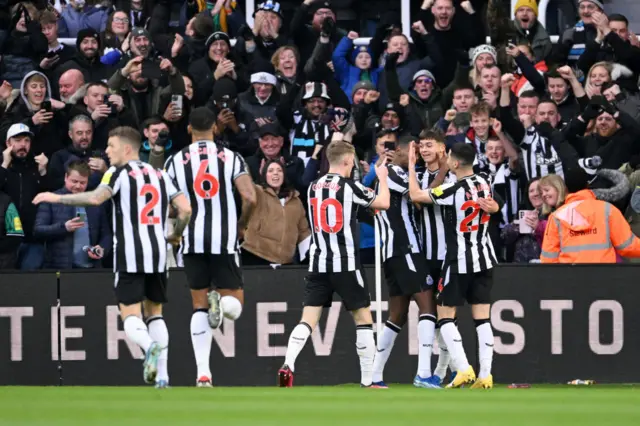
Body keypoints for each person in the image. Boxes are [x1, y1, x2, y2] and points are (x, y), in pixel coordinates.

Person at [33, 126, 192, 388]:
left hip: (130, 253)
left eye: (111, 146)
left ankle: (148, 346)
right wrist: (175, 236)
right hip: (157, 254)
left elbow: (96, 199)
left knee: (130, 314)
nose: (106, 151)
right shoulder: (161, 174)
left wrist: (55, 198)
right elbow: (185, 210)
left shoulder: (117, 173)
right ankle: (163, 377)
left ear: (127, 148)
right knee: (155, 314)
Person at [278, 140, 391, 388]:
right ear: (348, 161)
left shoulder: (312, 187)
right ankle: (367, 379)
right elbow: (383, 203)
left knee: (307, 319)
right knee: (363, 319)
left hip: (318, 263)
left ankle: (288, 362)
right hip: (346, 262)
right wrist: (382, 177)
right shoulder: (349, 186)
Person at [164, 107, 256, 387]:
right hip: (224, 241)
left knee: (198, 308)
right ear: (216, 128)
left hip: (191, 242)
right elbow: (250, 197)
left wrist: (176, 231)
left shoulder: (175, 161)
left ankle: (203, 373)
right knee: (235, 306)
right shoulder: (230, 157)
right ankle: (223, 303)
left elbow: (171, 206)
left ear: (189, 129)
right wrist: (241, 225)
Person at [407, 142, 499, 389]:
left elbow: (416, 196)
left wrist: (409, 167)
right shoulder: (484, 182)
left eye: (448, 157)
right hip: (484, 259)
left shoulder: (452, 189)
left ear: (455, 163)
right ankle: (486, 375)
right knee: (482, 319)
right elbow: (495, 204)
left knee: (444, 315)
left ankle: (463, 368)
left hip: (458, 260)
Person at [369, 135, 437, 389]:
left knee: (396, 315)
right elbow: (418, 196)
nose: (415, 156)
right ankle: (423, 373)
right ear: (398, 151)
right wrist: (413, 167)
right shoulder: (393, 172)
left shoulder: (388, 173)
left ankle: (374, 376)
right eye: (412, 151)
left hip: (393, 251)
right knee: (428, 304)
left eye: (417, 153)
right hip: (405, 248)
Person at [416, 130, 457, 385]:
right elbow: (419, 202)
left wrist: (443, 170)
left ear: (442, 149)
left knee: (447, 316)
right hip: (425, 254)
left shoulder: (453, 177)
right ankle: (449, 369)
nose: (424, 150)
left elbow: (429, 198)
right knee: (435, 314)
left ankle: (446, 369)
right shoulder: (419, 176)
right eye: (421, 146)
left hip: (446, 254)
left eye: (429, 145)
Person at [541, 167, 640, 263]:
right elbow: (628, 246)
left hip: (570, 277)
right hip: (604, 275)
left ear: (566, 188)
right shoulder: (608, 210)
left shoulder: (556, 217)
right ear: (587, 185)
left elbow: (548, 259)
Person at [34, 160, 111, 270]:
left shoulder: (95, 203)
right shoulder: (51, 199)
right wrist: (64, 227)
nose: (78, 186)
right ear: (66, 177)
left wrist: (102, 248)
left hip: (91, 269)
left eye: (83, 182)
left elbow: (106, 235)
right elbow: (38, 230)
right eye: (74, 181)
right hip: (60, 268)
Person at [241, 159, 311, 266]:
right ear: (264, 175)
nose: (275, 173)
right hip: (254, 256)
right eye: (270, 170)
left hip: (285, 262)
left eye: (279, 170)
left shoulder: (295, 200)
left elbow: (303, 231)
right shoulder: (258, 192)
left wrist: (308, 256)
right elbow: (246, 186)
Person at [0, 123, 49, 270]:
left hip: (32, 238)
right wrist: (4, 165)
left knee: (29, 286)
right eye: (18, 140)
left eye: (26, 140)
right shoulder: (2, 166)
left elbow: (47, 197)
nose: (23, 145)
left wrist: (43, 172)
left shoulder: (37, 165)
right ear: (8, 143)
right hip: (6, 241)